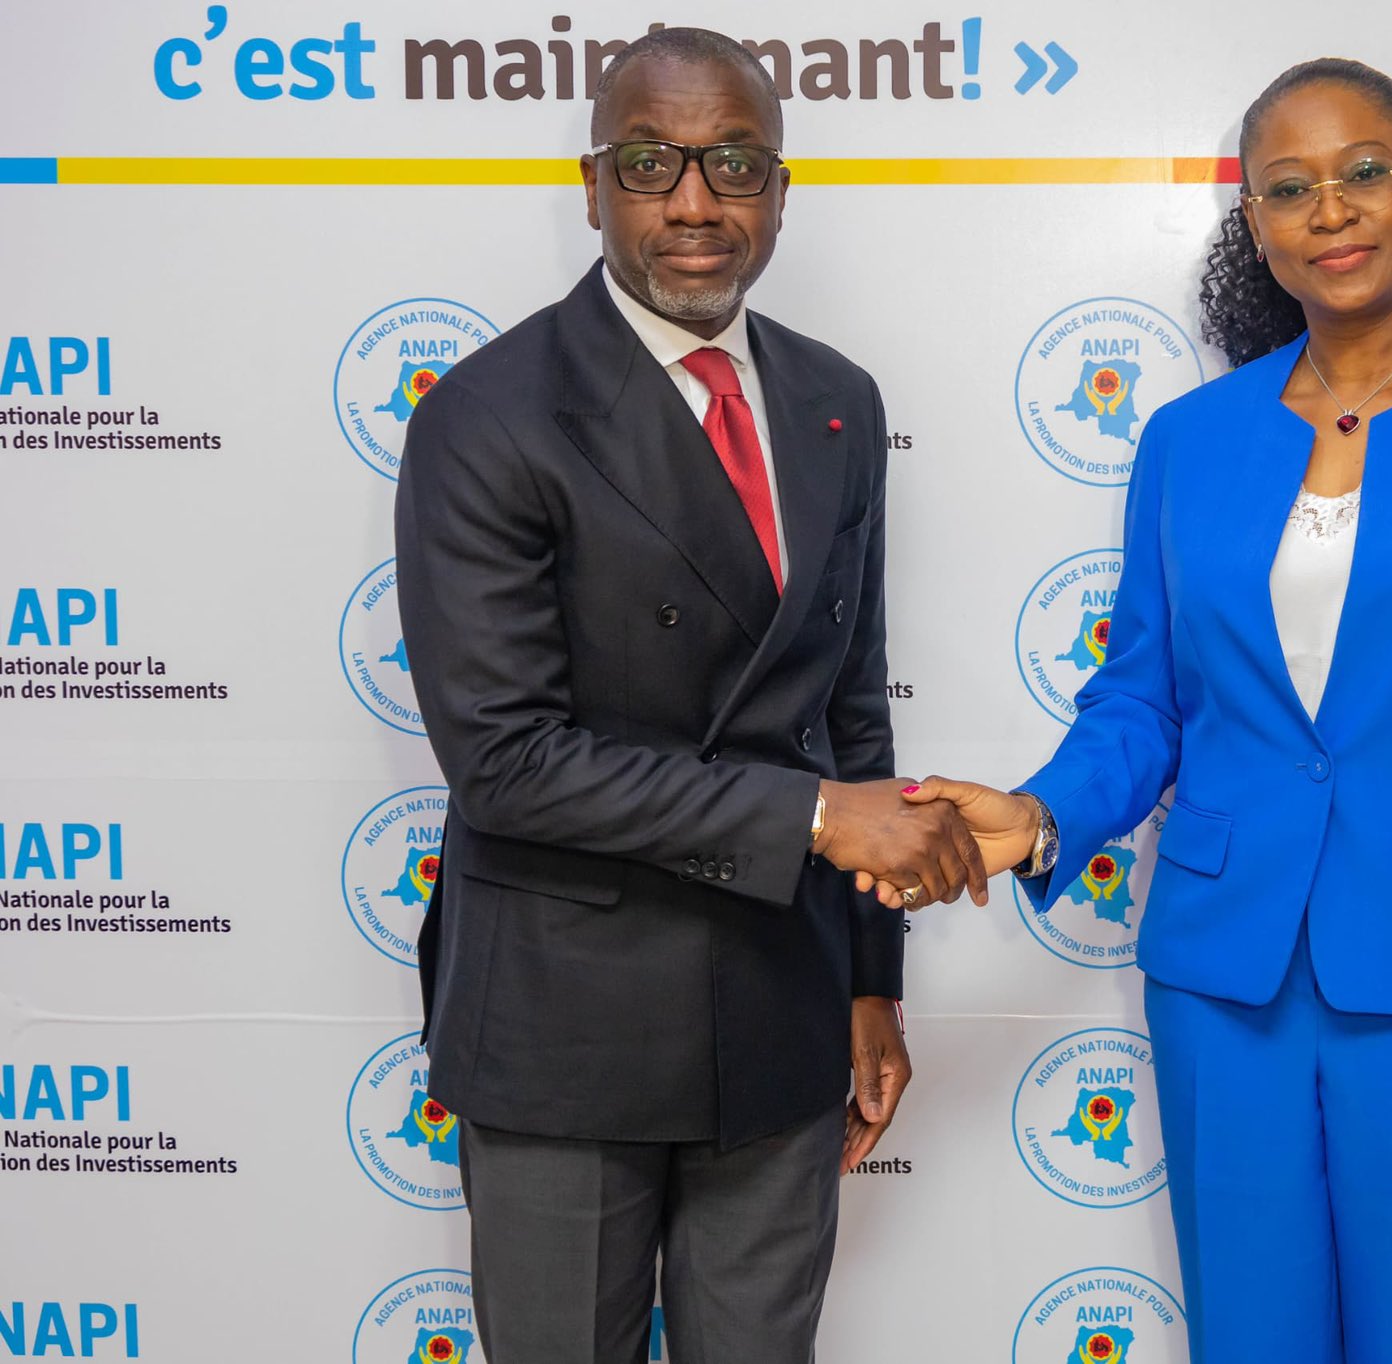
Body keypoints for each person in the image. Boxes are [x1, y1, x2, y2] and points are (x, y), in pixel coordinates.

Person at [884, 58, 1392, 1364]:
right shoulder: (1190, 440)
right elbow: (1145, 699)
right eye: (1289, 189)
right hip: (1222, 986)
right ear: (1254, 223)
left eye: (1364, 174)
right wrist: (1039, 815)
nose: (1330, 211)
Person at [392, 27, 987, 1364]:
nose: (696, 203)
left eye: (736, 164)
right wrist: (818, 820)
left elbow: (850, 707)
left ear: (780, 188)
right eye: (652, 163)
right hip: (564, 1023)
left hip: (781, 1005)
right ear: (594, 187)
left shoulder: (838, 402)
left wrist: (872, 981)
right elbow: (507, 761)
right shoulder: (488, 416)